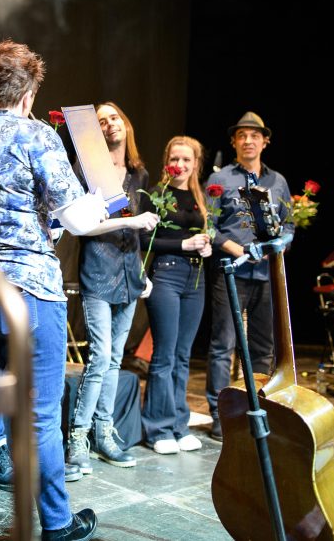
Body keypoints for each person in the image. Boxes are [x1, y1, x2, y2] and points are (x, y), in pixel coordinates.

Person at [0, 39, 117, 541]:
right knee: (38, 417)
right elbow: (79, 221)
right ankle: (57, 524)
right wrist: (101, 201)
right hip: (26, 292)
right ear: (29, 92)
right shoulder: (36, 135)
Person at [65, 102, 158, 474]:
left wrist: (141, 271)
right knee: (100, 357)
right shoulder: (86, 171)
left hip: (129, 273)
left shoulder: (139, 174)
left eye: (114, 117)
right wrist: (131, 222)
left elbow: (134, 231)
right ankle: (78, 437)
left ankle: (104, 433)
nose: (109, 124)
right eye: (101, 121)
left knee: (116, 359)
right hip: (98, 271)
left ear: (126, 123)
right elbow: (82, 226)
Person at [204, 112, 292, 441]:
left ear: (265, 141)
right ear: (234, 142)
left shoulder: (278, 181)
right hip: (232, 271)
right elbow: (208, 224)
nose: (248, 141)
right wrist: (238, 250)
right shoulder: (221, 179)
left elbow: (289, 225)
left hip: (266, 274)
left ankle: (256, 409)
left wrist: (278, 245)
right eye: (242, 136)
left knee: (263, 348)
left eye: (254, 136)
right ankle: (221, 416)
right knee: (223, 345)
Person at [139, 136, 213, 454]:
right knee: (165, 355)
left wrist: (206, 246)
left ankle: (179, 425)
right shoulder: (157, 194)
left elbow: (203, 235)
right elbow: (144, 240)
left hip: (196, 277)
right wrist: (182, 244)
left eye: (186, 160)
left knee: (183, 356)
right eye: (174, 159)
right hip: (167, 274)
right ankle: (158, 428)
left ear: (196, 164)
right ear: (166, 162)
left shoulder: (200, 197)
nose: (180, 165)